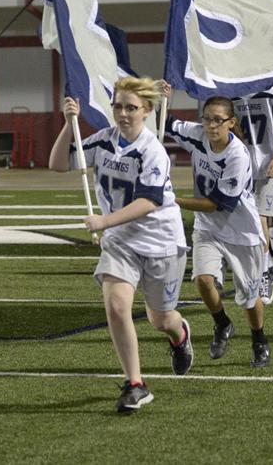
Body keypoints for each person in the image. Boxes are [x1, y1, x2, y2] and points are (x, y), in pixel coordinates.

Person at [49, 78, 192, 413]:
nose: (123, 113)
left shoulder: (152, 150)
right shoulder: (103, 141)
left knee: (161, 319)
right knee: (116, 307)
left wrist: (104, 221)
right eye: (118, 106)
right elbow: (57, 163)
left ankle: (179, 336)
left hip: (161, 241)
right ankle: (136, 384)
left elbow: (149, 201)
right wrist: (68, 124)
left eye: (131, 107)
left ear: (146, 112)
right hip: (121, 243)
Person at [162, 92, 271, 367]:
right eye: (207, 119)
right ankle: (222, 323)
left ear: (231, 122)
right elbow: (166, 123)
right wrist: (163, 99)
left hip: (241, 229)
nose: (211, 126)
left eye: (218, 120)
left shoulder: (237, 155)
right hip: (207, 227)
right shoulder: (198, 134)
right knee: (202, 279)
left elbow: (217, 204)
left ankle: (259, 340)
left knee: (249, 296)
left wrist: (172, 200)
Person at [233, 85, 273, 284]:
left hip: (266, 164)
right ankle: (263, 265)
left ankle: (264, 273)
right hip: (241, 164)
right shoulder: (232, 92)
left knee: (261, 218)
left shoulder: (270, 92)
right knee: (247, 220)